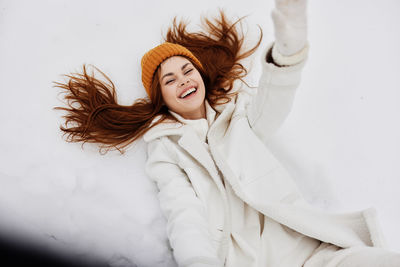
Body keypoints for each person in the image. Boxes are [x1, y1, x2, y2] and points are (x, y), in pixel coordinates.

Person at [54, 0, 400, 266]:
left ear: (202, 77)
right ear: (161, 97)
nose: (183, 81)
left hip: (317, 252)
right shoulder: (167, 151)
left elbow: (276, 96)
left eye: (187, 70)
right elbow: (183, 213)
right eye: (169, 80)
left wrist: (289, 50)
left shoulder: (241, 117)